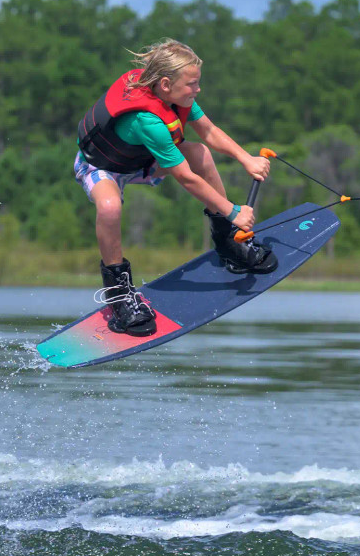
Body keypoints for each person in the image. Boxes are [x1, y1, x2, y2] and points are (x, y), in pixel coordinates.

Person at [74, 38, 277, 337]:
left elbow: (208, 132)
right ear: (166, 84)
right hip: (102, 167)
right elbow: (185, 178)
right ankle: (120, 295)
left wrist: (245, 158)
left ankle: (227, 243)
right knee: (109, 206)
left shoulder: (174, 97)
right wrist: (233, 210)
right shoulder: (147, 120)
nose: (197, 90)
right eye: (192, 84)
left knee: (201, 154)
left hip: (140, 161)